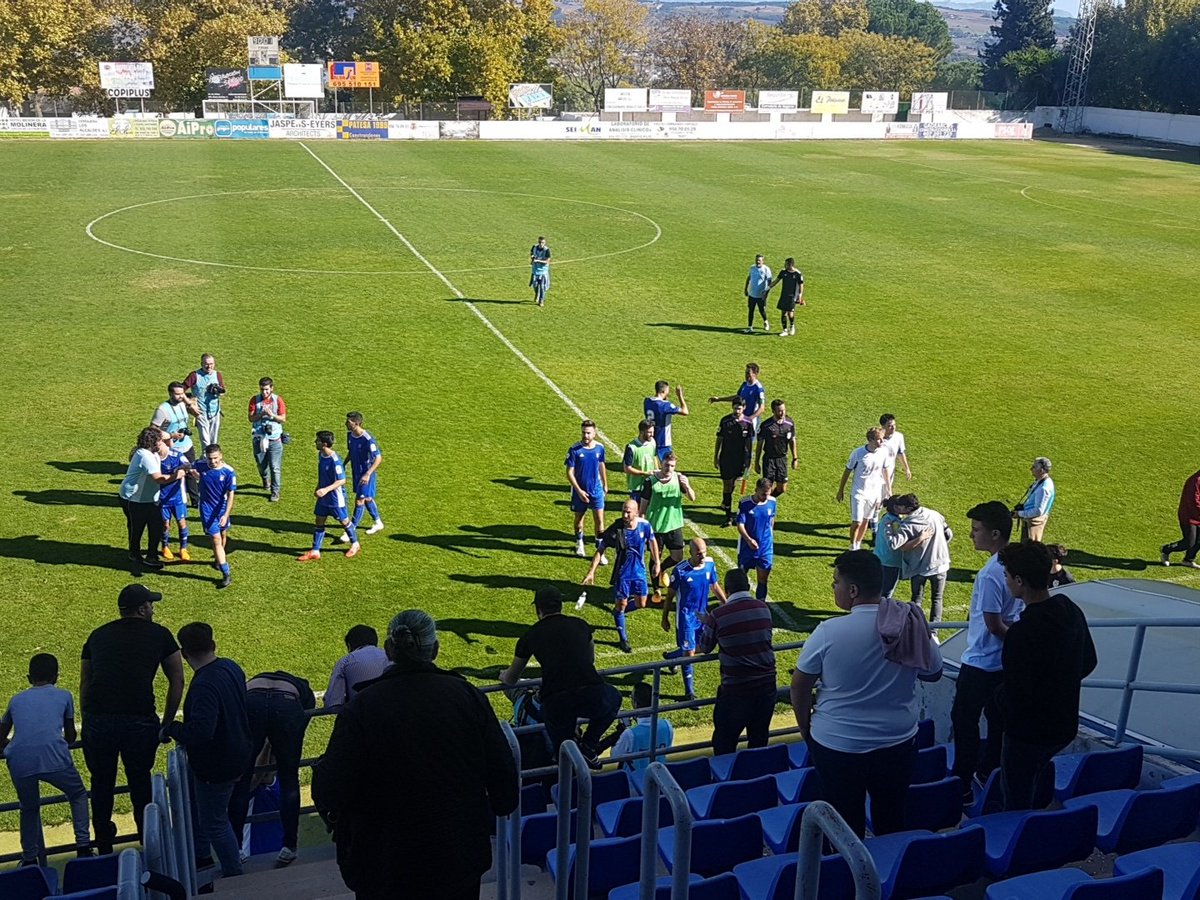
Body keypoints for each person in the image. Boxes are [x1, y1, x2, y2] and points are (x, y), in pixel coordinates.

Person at [315, 610, 518, 900]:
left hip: (384, 865)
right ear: (435, 649)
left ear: (388, 650)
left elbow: (330, 787)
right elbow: (505, 790)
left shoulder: (361, 708)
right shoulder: (468, 697)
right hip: (456, 859)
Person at [792, 551, 942, 838]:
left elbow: (800, 685)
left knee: (844, 827)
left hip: (838, 745)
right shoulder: (908, 621)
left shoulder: (829, 631)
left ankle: (852, 879)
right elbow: (933, 673)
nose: (832, 587)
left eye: (835, 582)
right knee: (892, 817)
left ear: (853, 590)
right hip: (897, 741)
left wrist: (805, 727)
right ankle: (890, 874)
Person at [80, 584, 184, 853]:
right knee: (140, 781)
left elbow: (85, 682)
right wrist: (167, 723)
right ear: (141, 609)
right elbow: (177, 679)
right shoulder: (160, 635)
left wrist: (89, 719)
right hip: (138, 718)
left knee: (101, 783)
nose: (152, 608)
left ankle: (102, 841)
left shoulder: (97, 635)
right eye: (150, 605)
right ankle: (147, 841)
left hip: (98, 719)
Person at [996, 542, 1097, 811]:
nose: (1006, 582)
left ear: (1019, 580)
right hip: (1063, 725)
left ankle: (1021, 843)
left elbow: (1016, 694)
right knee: (1038, 782)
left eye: (1007, 576)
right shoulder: (1069, 608)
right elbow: (1089, 660)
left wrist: (997, 701)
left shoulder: (1022, 633)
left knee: (1016, 799)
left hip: (1027, 733)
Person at [166, 623, 252, 879]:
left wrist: (173, 729)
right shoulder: (231, 667)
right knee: (210, 817)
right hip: (238, 754)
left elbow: (202, 733)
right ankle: (204, 858)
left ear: (184, 654)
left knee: (214, 822)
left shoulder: (204, 684)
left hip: (218, 764)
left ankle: (234, 875)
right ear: (212, 644)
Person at [951, 501, 1023, 803]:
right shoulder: (1016, 562)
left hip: (982, 662)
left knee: (964, 722)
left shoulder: (991, 573)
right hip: (1004, 663)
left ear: (995, 533)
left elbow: (993, 624)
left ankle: (962, 784)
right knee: (998, 721)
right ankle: (989, 772)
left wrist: (1017, 641)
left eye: (976, 530)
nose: (971, 535)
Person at [0, 653, 92, 865]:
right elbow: (70, 736)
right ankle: (83, 847)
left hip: (19, 760)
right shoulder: (64, 695)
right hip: (54, 757)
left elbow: (1, 734)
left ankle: (30, 858)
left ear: (28, 677)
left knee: (28, 807)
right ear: (56, 676)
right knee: (77, 794)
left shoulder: (16, 700)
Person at [229, 670, 315, 869]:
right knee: (289, 779)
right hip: (286, 704)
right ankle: (289, 845)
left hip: (253, 701)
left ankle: (236, 847)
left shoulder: (254, 682)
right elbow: (305, 714)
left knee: (242, 779)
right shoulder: (300, 686)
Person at [698, 568, 777, 755]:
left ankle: (727, 781)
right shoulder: (763, 608)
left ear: (726, 590)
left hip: (737, 690)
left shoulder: (718, 615)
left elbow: (706, 646)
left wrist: (708, 622)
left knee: (724, 743)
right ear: (748, 586)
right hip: (767, 687)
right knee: (759, 741)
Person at [584, 498, 660, 653]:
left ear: (636, 513)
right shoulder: (617, 529)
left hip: (639, 571)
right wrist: (592, 571)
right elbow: (601, 549)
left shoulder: (644, 526)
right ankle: (623, 639)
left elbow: (652, 541)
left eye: (628, 512)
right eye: (623, 511)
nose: (625, 515)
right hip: (623, 573)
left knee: (641, 603)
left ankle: (617, 613)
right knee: (622, 605)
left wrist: (657, 562)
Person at [661, 538, 725, 700]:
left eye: (704, 552)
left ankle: (673, 657)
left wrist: (726, 604)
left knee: (706, 647)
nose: (702, 556)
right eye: (698, 554)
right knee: (689, 654)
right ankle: (689, 692)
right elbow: (669, 596)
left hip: (702, 616)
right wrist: (665, 617)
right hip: (686, 618)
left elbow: (715, 586)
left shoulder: (710, 564)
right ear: (690, 553)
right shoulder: (681, 571)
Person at [119, 427, 186, 573]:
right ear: (153, 442)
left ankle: (151, 556)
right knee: (137, 527)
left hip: (149, 499)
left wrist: (173, 435)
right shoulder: (145, 456)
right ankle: (135, 554)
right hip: (134, 499)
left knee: (157, 525)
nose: (163, 442)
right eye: (160, 440)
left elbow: (166, 435)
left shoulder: (151, 450)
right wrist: (177, 475)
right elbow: (159, 479)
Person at [885, 494, 952, 623]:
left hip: (920, 567)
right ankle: (934, 631)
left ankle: (917, 626)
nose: (897, 507)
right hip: (941, 564)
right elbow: (948, 534)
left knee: (916, 599)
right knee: (937, 599)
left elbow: (895, 544)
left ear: (907, 508)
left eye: (900, 506)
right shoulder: (934, 514)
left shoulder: (909, 524)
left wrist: (889, 527)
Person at [297, 431, 360, 562]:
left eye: (318, 441)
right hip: (323, 497)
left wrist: (325, 489)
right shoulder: (321, 455)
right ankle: (315, 551)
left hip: (335, 498)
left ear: (324, 444)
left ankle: (355, 544)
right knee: (319, 521)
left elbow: (341, 481)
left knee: (344, 522)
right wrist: (318, 487)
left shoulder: (334, 461)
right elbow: (323, 475)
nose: (315, 442)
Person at [640, 452, 695, 596]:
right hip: (655, 526)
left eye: (672, 466)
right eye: (666, 465)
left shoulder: (678, 479)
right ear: (661, 463)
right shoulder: (650, 481)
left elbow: (692, 498)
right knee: (654, 557)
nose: (668, 468)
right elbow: (643, 507)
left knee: (677, 556)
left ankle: (662, 569)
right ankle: (656, 588)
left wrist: (687, 486)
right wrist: (642, 524)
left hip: (674, 524)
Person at [190, 444, 236, 589]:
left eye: (215, 458)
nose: (213, 462)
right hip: (207, 509)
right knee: (216, 539)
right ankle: (226, 572)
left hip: (222, 509)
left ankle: (218, 559)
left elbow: (230, 496)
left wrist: (226, 514)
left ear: (221, 456)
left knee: (223, 534)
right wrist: (185, 470)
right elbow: (187, 465)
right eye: (210, 459)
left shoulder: (228, 472)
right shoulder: (201, 465)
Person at [837, 427, 891, 551]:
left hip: (874, 494)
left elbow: (885, 471)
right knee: (857, 522)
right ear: (871, 440)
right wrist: (841, 490)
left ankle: (858, 543)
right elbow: (847, 471)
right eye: (879, 440)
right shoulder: (858, 453)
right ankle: (853, 546)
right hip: (858, 493)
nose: (882, 442)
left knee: (866, 520)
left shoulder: (883, 453)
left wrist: (888, 489)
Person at [152, 381, 200, 505]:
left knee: (191, 471)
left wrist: (186, 400)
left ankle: (195, 501)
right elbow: (153, 430)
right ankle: (170, 500)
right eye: (177, 394)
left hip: (187, 445)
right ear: (170, 393)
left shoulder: (183, 404)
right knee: (175, 475)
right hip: (172, 448)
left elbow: (197, 412)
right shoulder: (162, 410)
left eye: (182, 393)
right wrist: (171, 435)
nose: (180, 396)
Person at [566, 419, 608, 560]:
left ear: (594, 433)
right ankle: (579, 542)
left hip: (596, 490)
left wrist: (605, 484)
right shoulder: (574, 450)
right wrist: (579, 491)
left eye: (588, 433)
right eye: (584, 433)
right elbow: (569, 473)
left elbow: (601, 464)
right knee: (579, 519)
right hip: (580, 491)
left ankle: (599, 550)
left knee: (600, 521)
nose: (586, 436)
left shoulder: (600, 448)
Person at [324, 625, 391, 710]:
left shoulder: (346, 661)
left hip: (365, 717)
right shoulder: (391, 656)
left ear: (349, 645)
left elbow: (331, 702)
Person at [341, 412, 384, 541]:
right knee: (368, 498)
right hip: (356, 472)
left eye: (348, 422)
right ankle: (378, 522)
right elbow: (351, 451)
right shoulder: (350, 435)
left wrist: (368, 474)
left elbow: (378, 458)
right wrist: (343, 464)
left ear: (356, 423)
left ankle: (351, 529)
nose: (345, 424)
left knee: (359, 500)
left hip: (366, 474)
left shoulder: (367, 438)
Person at [612, 682, 675, 771]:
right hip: (660, 775)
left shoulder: (629, 734)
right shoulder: (667, 726)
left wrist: (620, 731)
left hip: (634, 780)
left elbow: (614, 755)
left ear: (635, 704)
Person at [714, 397, 754, 526]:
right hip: (726, 458)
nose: (737, 410)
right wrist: (716, 456)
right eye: (735, 408)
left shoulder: (748, 423)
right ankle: (728, 516)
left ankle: (726, 504)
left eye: (739, 408)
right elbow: (719, 439)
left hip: (740, 460)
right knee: (727, 484)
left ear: (744, 408)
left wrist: (749, 460)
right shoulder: (725, 421)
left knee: (733, 485)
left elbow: (749, 443)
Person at [737, 477, 777, 600]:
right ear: (756, 490)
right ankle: (740, 602)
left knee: (763, 579)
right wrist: (748, 540)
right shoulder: (745, 503)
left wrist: (768, 537)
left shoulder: (772, 502)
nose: (765, 497)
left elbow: (772, 521)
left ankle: (761, 604)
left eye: (768, 494)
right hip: (746, 548)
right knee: (741, 579)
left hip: (765, 548)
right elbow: (740, 524)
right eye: (763, 494)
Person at [248, 377, 287, 503]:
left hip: (274, 438)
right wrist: (261, 414)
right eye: (262, 389)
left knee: (275, 467)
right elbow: (251, 418)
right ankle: (265, 479)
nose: (264, 392)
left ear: (271, 388)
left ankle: (275, 491)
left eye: (266, 389)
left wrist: (272, 415)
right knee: (261, 464)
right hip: (259, 437)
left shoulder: (278, 400)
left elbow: (283, 418)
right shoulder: (255, 400)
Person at [709, 363, 767, 435]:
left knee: (747, 443)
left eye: (748, 373)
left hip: (750, 421)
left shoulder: (758, 389)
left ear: (755, 374)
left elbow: (762, 408)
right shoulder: (744, 384)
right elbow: (737, 398)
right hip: (739, 417)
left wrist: (750, 418)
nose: (746, 375)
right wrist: (719, 399)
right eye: (745, 373)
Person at [158, 438, 191, 563]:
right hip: (162, 497)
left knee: (181, 523)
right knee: (165, 524)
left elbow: (187, 464)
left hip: (177, 496)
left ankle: (183, 548)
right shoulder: (154, 457)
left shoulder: (176, 455)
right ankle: (165, 546)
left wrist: (183, 469)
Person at [755, 399, 798, 497]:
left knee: (782, 488)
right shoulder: (766, 426)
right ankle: (762, 502)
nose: (782, 412)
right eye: (779, 411)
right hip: (769, 459)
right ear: (773, 411)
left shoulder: (789, 423)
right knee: (767, 487)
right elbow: (759, 445)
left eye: (783, 410)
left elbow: (792, 440)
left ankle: (767, 500)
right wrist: (757, 462)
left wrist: (795, 458)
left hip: (782, 459)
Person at [184, 353, 226, 449]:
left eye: (211, 364)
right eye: (206, 364)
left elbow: (223, 390)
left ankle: (212, 460)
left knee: (214, 441)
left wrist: (218, 390)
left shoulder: (217, 375)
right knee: (206, 442)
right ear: (201, 364)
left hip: (215, 412)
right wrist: (189, 403)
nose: (209, 366)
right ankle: (206, 460)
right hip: (200, 412)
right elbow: (181, 390)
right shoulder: (194, 375)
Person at [1161, 467, 1200, 568]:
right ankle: (1166, 550)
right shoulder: (1195, 482)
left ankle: (1188, 560)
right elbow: (1194, 503)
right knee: (1188, 542)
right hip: (1189, 515)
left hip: (1197, 515)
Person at [1013, 457, 1055, 542]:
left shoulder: (1043, 488)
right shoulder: (1045, 481)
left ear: (1041, 470)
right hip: (1032, 520)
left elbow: (1038, 511)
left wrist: (1020, 513)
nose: (1031, 469)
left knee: (1029, 548)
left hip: (1033, 523)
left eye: (1034, 467)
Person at [643, 381, 689, 459]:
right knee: (667, 467)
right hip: (663, 442)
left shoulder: (647, 401)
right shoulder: (665, 405)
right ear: (663, 391)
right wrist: (680, 396)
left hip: (650, 438)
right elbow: (685, 411)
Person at [623, 419, 659, 508]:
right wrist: (644, 474)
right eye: (649, 432)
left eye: (653, 432)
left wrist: (657, 472)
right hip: (637, 487)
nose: (652, 434)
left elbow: (654, 457)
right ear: (642, 432)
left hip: (651, 483)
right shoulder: (631, 447)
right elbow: (627, 468)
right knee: (637, 512)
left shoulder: (652, 442)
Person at [875, 498, 904, 599]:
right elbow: (894, 543)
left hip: (880, 557)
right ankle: (881, 612)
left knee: (879, 589)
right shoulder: (894, 523)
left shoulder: (886, 517)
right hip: (890, 561)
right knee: (887, 591)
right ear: (896, 507)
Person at [768, 257, 804, 337]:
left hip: (792, 296)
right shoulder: (783, 272)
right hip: (784, 295)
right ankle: (784, 330)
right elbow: (776, 281)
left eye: (786, 264)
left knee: (790, 313)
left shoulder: (797, 274)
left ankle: (792, 326)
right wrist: (768, 288)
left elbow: (801, 285)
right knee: (783, 312)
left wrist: (800, 295)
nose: (784, 265)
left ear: (790, 264)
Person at [743, 254, 773, 333]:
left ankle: (766, 322)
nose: (757, 262)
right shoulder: (752, 268)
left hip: (761, 295)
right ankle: (750, 327)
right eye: (756, 260)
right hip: (752, 294)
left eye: (759, 260)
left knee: (761, 310)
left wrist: (766, 293)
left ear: (763, 261)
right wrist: (746, 289)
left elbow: (770, 282)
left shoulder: (766, 269)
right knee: (751, 310)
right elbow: (749, 278)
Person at [879, 414, 913, 483]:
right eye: (890, 426)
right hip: (876, 472)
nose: (893, 427)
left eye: (894, 425)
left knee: (887, 493)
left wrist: (907, 469)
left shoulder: (899, 437)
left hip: (890, 471)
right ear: (883, 426)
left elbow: (900, 453)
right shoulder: (877, 438)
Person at [530, 235, 551, 306]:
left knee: (542, 286)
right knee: (535, 285)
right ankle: (537, 294)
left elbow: (547, 261)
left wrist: (537, 260)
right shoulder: (534, 247)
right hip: (535, 270)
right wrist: (532, 258)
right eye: (539, 242)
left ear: (544, 243)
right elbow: (532, 254)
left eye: (542, 242)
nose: (540, 244)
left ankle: (541, 300)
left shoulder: (547, 250)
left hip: (543, 271)